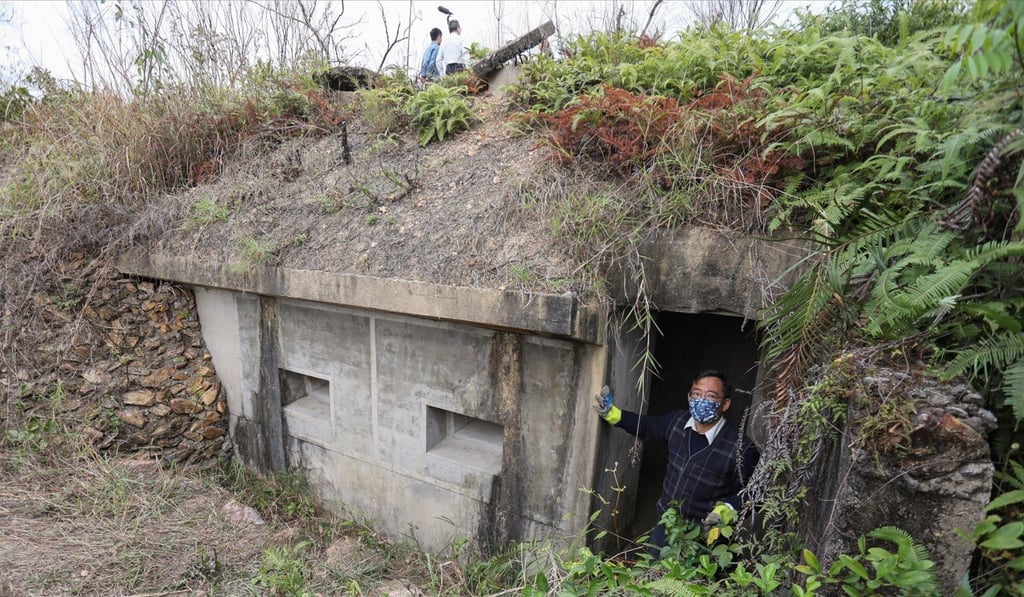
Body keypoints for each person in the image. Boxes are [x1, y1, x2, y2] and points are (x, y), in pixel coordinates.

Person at [595, 369, 759, 554]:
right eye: (696, 394)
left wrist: (726, 510)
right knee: (652, 576)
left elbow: (754, 493)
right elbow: (647, 427)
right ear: (689, 397)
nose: (701, 400)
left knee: (691, 581)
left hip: (706, 535)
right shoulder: (677, 422)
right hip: (667, 523)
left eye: (711, 396)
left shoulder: (742, 449)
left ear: (725, 403)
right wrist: (612, 414)